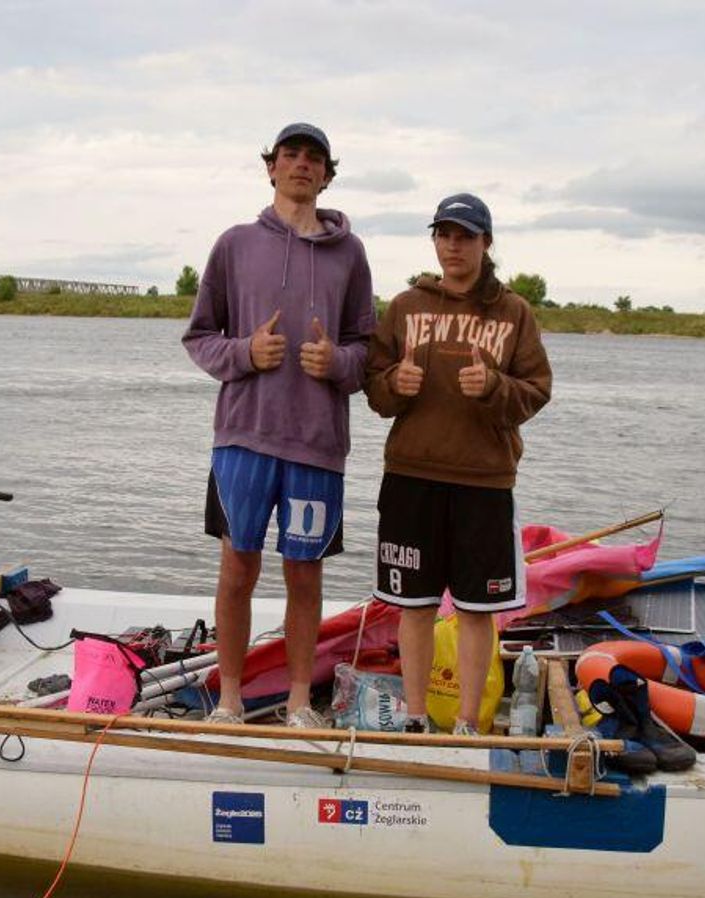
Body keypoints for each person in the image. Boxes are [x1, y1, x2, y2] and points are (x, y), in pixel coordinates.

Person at [182, 123, 376, 727]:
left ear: (327, 175)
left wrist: (336, 362)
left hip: (317, 446)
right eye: (290, 155)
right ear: (271, 167)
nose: (301, 164)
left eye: (314, 158)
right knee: (237, 568)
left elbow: (368, 352)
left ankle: (297, 703)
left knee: (305, 576)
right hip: (243, 439)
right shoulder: (234, 244)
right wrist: (245, 352)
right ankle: (230, 701)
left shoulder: (351, 253)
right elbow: (199, 337)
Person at [363, 193, 552, 735]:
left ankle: (469, 721)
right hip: (410, 477)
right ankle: (415, 716)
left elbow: (536, 391)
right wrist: (394, 383)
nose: (453, 246)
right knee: (414, 605)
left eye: (465, 236)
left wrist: (494, 386)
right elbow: (373, 388)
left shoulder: (514, 312)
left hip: (484, 483)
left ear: (485, 243)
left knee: (476, 610)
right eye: (444, 234)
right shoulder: (406, 306)